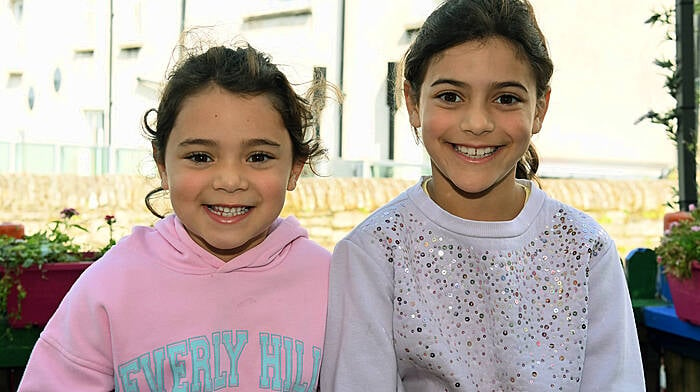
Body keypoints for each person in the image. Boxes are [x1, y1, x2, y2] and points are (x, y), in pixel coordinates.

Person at [320, 0, 645, 391]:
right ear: (412, 102)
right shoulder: (374, 252)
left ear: (539, 107)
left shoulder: (584, 248)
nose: (477, 123)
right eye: (451, 96)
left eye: (506, 98)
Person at [19, 41, 331, 391]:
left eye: (258, 157)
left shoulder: (333, 284)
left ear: (295, 169)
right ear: (162, 165)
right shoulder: (112, 285)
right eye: (200, 157)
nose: (229, 181)